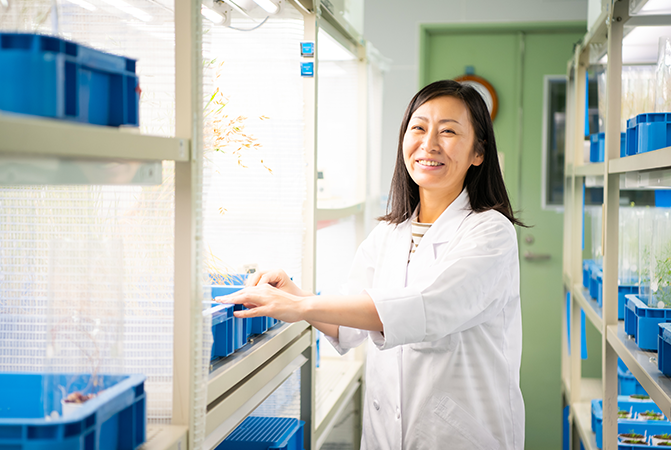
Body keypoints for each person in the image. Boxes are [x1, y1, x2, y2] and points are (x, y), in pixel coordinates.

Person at [217, 79, 526, 450]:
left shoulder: (491, 232)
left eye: (447, 132)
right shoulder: (390, 233)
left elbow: (426, 307)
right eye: (419, 128)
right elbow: (349, 323)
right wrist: (292, 293)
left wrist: (301, 306)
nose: (429, 145)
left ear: (478, 153)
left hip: (458, 435)